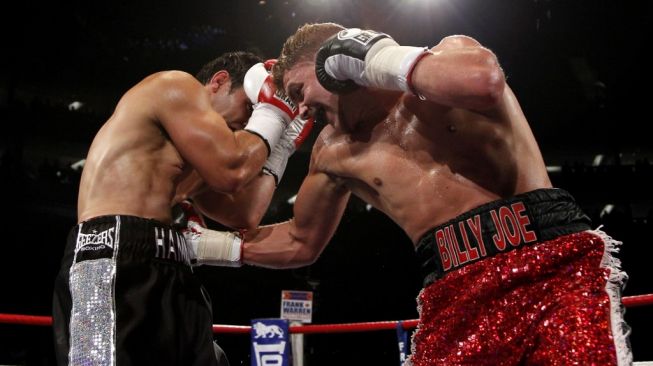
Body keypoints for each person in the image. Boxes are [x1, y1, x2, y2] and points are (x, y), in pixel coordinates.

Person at [182, 23, 633, 365]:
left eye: (299, 90)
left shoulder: (447, 62)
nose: (301, 109)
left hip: (549, 265)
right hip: (452, 289)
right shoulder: (333, 152)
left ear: (332, 61)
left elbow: (483, 81)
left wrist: (375, 55)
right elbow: (300, 241)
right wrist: (207, 245)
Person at [51, 51, 310, 366]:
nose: (248, 121)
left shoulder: (197, 160)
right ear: (218, 82)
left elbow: (244, 214)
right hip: (114, 257)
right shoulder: (175, 85)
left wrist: (280, 148)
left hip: (174, 268)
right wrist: (274, 113)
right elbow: (232, 172)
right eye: (247, 107)